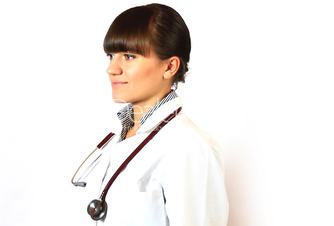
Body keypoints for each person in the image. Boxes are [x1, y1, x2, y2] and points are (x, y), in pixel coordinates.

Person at [71, 3, 228, 226]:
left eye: (129, 56)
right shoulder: (119, 137)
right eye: (111, 56)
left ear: (170, 67)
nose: (112, 69)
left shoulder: (189, 146)